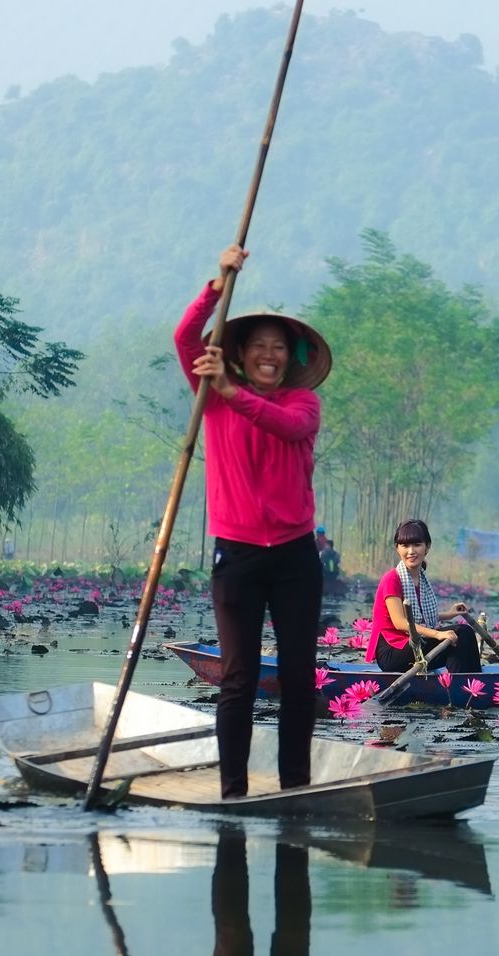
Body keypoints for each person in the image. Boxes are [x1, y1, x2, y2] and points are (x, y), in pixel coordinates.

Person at [175, 243, 332, 798]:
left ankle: (295, 787)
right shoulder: (213, 398)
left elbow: (281, 427)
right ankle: (233, 791)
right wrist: (217, 283)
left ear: (289, 358)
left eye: (277, 349)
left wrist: (228, 389)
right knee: (238, 679)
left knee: (297, 677)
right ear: (240, 353)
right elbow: (185, 338)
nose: (269, 355)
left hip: (294, 556)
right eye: (258, 347)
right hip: (237, 555)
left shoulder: (301, 406)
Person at [365, 518, 482, 673]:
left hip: (412, 643)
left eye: (417, 545)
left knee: (461, 637)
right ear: (397, 548)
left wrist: (449, 614)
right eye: (405, 545)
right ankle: (461, 686)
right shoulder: (392, 579)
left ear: (427, 547)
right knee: (462, 633)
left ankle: (463, 683)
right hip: (392, 651)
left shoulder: (420, 578)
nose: (411, 551)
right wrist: (438, 634)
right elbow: (400, 622)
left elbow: (419, 615)